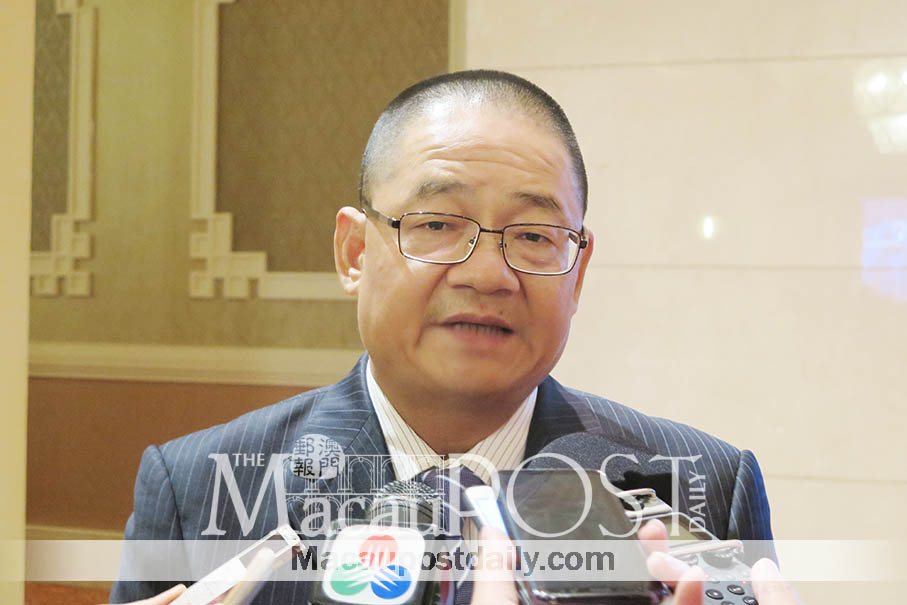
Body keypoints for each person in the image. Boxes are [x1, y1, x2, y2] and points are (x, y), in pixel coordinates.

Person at [110, 70, 774, 603]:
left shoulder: (704, 486)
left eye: (534, 235)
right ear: (353, 252)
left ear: (577, 273)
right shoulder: (197, 488)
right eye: (436, 225)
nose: (487, 274)